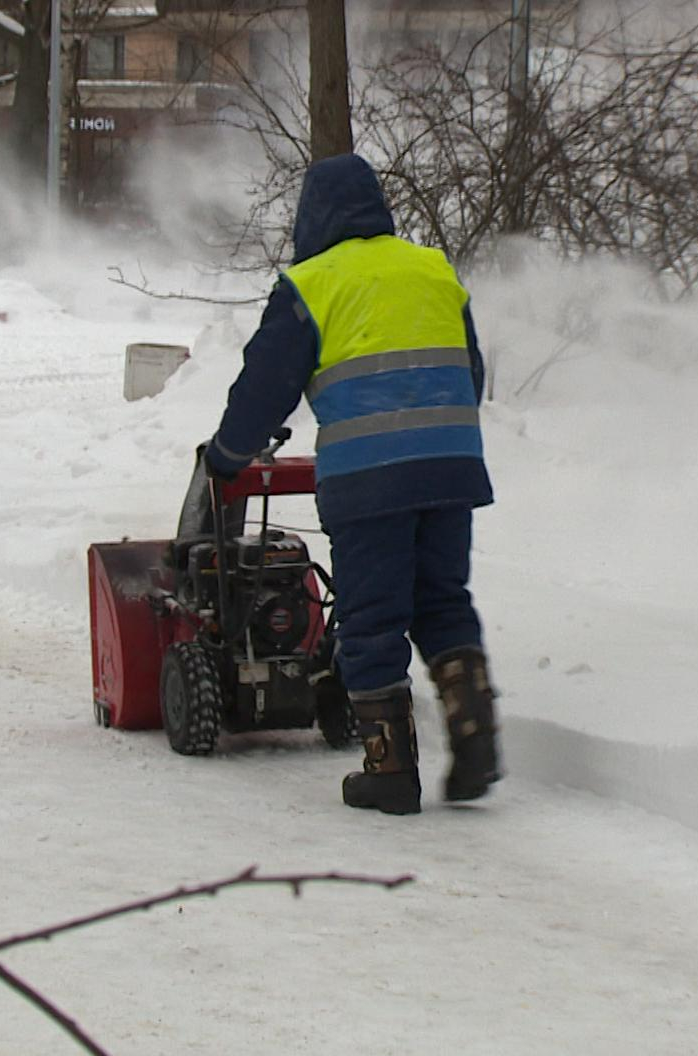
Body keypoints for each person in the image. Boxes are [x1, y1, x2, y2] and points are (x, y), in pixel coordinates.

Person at [204, 153, 499, 816]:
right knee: (442, 599)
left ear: (312, 218)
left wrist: (227, 455)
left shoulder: (313, 283)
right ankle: (476, 736)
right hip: (452, 465)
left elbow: (266, 388)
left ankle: (389, 768)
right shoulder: (432, 269)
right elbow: (471, 372)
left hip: (370, 479)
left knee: (371, 614)